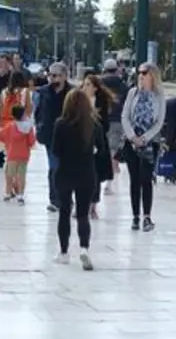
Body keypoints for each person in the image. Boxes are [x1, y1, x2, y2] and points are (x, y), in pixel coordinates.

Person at [53, 88, 106, 270]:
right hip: (86, 173)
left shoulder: (60, 124)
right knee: (83, 215)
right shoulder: (94, 125)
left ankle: (64, 252)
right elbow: (102, 150)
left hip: (65, 173)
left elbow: (56, 151)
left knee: (64, 213)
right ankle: (84, 248)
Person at [122, 63, 166, 232]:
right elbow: (125, 116)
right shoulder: (132, 93)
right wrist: (133, 136)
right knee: (134, 179)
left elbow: (159, 121)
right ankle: (135, 217)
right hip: (131, 142)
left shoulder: (159, 96)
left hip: (149, 143)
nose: (140, 76)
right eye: (139, 73)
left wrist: (145, 138)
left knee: (146, 179)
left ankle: (147, 216)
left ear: (152, 76)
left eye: (144, 73)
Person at [35, 63, 71, 213]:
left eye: (56, 75)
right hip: (50, 135)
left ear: (64, 76)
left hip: (69, 136)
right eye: (50, 75)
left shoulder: (73, 92)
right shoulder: (43, 92)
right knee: (54, 167)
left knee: (67, 167)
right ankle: (55, 199)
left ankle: (67, 197)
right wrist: (39, 127)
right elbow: (38, 112)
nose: (52, 78)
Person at [80, 75, 115, 217]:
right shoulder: (78, 100)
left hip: (97, 142)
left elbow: (105, 124)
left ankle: (93, 206)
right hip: (81, 142)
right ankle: (82, 205)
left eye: (89, 84)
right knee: (81, 176)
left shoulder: (101, 103)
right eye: (84, 84)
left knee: (95, 176)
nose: (85, 87)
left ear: (95, 87)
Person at [99, 59, 129, 192]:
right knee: (113, 150)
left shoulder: (98, 83)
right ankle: (109, 182)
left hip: (100, 120)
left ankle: (99, 178)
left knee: (100, 149)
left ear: (104, 69)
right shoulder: (123, 85)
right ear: (116, 70)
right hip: (117, 120)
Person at [0, 105, 36, 204]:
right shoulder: (28, 127)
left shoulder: (10, 126)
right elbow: (32, 141)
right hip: (24, 155)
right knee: (21, 176)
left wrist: (8, 142)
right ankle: (20, 195)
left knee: (10, 175)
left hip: (12, 154)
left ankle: (7, 193)